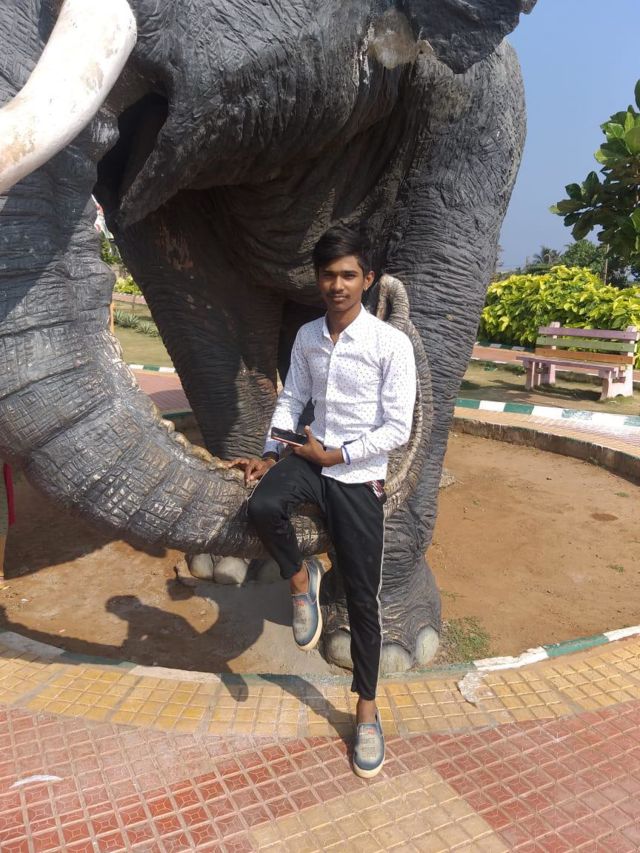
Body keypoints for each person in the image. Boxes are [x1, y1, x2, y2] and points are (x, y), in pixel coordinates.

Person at [229, 224, 416, 778]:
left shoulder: (390, 344)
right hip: (309, 460)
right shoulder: (309, 335)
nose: (338, 285)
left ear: (368, 279)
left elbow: (398, 427)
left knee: (362, 600)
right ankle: (300, 577)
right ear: (318, 279)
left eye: (348, 275)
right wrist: (272, 451)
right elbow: (292, 399)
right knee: (262, 505)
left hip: (358, 476)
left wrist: (340, 455)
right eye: (329, 275)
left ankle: (366, 711)